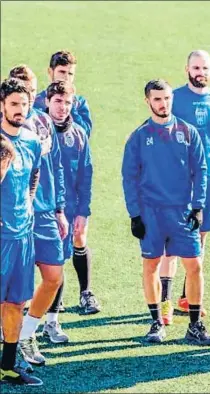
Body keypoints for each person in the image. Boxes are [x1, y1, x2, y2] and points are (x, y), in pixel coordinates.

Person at [122, 79, 210, 345]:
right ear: (148, 101)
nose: (163, 104)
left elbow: (201, 171)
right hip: (151, 213)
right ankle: (156, 322)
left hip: (182, 211)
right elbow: (129, 177)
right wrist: (135, 214)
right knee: (151, 265)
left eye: (167, 98)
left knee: (194, 265)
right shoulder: (139, 137)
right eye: (158, 99)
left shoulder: (188, 132)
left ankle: (195, 326)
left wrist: (198, 206)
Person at [158, 50, 210, 323]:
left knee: (200, 237)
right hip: (178, 180)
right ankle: (164, 300)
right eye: (196, 67)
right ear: (187, 69)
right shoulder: (174, 99)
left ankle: (188, 296)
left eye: (204, 68)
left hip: (208, 180)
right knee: (171, 242)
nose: (200, 72)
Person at [9, 66, 70, 367]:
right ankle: (10, 335)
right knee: (10, 286)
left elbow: (55, 166)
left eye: (31, 90)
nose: (28, 96)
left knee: (53, 276)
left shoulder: (44, 123)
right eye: (21, 91)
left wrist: (60, 208)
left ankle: (27, 333)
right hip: (12, 216)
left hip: (44, 212)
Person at [0, 78, 43, 386]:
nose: (19, 109)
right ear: (2, 105)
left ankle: (7, 365)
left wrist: (27, 203)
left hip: (23, 234)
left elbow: (34, 174)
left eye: (24, 104)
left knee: (16, 302)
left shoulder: (31, 140)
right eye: (13, 104)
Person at [45, 80, 100, 315]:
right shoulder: (35, 130)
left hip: (68, 210)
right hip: (39, 208)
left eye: (67, 102)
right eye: (57, 101)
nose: (62, 107)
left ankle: (52, 319)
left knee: (58, 262)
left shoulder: (78, 135)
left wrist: (82, 212)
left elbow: (85, 176)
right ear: (47, 102)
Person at [34, 50, 92, 137]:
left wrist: (70, 105)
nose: (66, 77)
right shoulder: (36, 102)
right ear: (50, 72)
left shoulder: (80, 103)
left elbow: (85, 134)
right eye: (62, 72)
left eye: (70, 74)